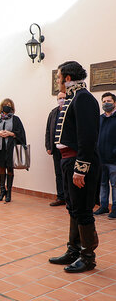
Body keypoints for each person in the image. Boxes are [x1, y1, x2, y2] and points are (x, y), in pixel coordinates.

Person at [48, 61, 100, 273]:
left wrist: (81, 168)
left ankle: (88, 257)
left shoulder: (84, 98)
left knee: (83, 210)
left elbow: (88, 137)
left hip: (79, 162)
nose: (58, 81)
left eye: (59, 77)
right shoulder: (73, 97)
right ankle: (73, 250)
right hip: (68, 161)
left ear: (68, 78)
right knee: (73, 207)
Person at [0, 98, 26, 203]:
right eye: (5, 104)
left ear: (12, 107)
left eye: (9, 105)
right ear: (2, 106)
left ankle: (9, 193)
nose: (7, 106)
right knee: (1, 169)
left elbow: (21, 133)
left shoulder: (16, 119)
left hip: (10, 149)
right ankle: (2, 191)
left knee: (9, 169)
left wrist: (11, 134)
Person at [94, 92, 116, 218]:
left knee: (114, 185)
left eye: (109, 101)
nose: (106, 103)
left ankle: (115, 208)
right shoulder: (99, 119)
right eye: (104, 101)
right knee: (103, 184)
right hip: (101, 159)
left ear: (115, 103)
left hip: (114, 160)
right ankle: (103, 206)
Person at [46, 92, 68, 206]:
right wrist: (48, 147)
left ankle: (69, 198)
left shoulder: (70, 110)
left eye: (64, 98)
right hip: (55, 149)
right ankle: (60, 197)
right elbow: (48, 130)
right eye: (60, 98)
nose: (62, 100)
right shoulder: (53, 112)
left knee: (68, 174)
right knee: (58, 174)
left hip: (68, 149)